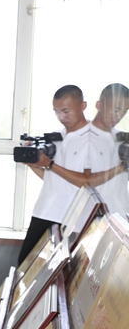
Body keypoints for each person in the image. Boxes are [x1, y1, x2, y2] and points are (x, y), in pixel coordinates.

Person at [18, 85, 105, 264]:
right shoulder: (56, 137)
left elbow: (87, 182)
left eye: (66, 111)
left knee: (67, 272)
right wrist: (33, 163)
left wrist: (49, 164)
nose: (61, 117)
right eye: (56, 111)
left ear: (83, 106)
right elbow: (53, 180)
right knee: (25, 266)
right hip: (44, 211)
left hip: (74, 218)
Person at [89, 83, 129, 218]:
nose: (120, 116)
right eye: (116, 110)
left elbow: (122, 179)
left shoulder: (122, 139)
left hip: (120, 218)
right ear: (99, 105)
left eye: (125, 111)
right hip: (90, 219)